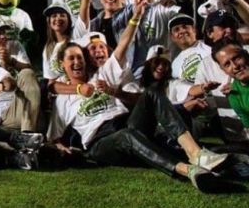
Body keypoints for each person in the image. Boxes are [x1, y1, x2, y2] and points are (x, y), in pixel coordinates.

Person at [48, 42, 229, 192]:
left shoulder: (99, 79)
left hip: (125, 123)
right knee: (128, 135)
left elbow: (120, 50)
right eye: (71, 58)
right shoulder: (62, 100)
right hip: (100, 142)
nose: (76, 61)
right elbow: (54, 136)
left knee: (151, 92)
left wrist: (136, 16)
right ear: (62, 64)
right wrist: (62, 147)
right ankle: (189, 171)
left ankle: (196, 154)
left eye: (79, 56)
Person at [211, 39, 249, 141]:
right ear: (223, 70)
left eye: (236, 58)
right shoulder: (234, 95)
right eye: (227, 64)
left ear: (246, 54)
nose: (235, 66)